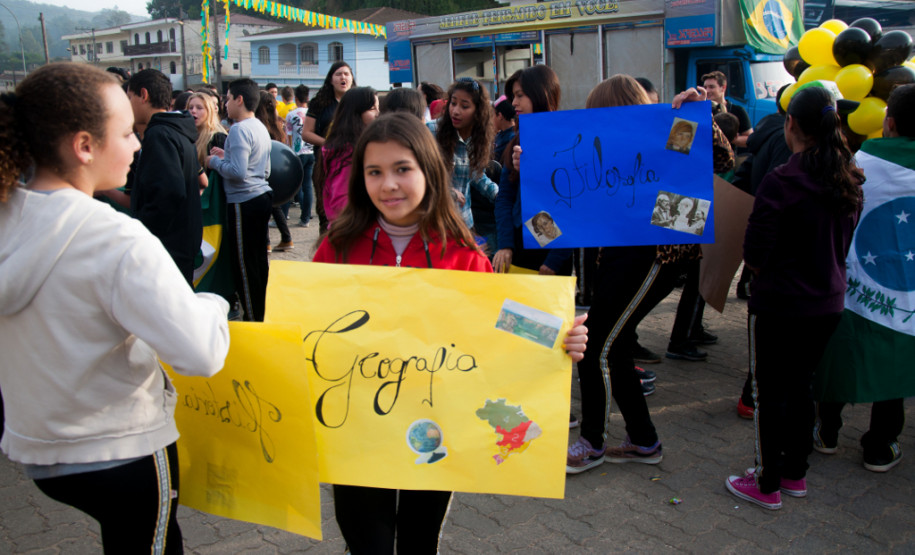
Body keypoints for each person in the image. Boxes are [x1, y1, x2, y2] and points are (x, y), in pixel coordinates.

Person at [312, 112, 588, 553]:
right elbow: (305, 329)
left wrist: (560, 337)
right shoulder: (336, 248)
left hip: (435, 431)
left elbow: (502, 319)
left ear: (428, 170)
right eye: (374, 172)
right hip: (357, 434)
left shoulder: (459, 252)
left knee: (419, 543)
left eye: (403, 169)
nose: (388, 185)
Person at [0, 62, 230, 553]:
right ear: (85, 146)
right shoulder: (115, 238)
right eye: (126, 132)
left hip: (38, 446)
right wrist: (212, 302)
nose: (138, 145)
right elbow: (200, 353)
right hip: (121, 451)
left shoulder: (8, 216)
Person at [567, 76, 735, 474]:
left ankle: (592, 443)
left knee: (596, 347)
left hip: (654, 254)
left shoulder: (668, 133)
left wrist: (697, 114)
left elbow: (722, 159)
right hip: (622, 255)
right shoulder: (612, 145)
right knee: (616, 345)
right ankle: (644, 440)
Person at [724, 86, 863, 509]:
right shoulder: (850, 178)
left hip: (781, 305)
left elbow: (755, 254)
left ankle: (767, 482)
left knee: (771, 392)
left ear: (791, 124)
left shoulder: (783, 180)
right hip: (827, 303)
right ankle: (794, 474)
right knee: (801, 388)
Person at [813, 83, 915, 473]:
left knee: (842, 353)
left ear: (888, 122)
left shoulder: (858, 167)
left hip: (854, 284)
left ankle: (826, 430)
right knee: (896, 358)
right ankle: (881, 444)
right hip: (905, 292)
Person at [493, 66, 572, 277]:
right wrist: (506, 244)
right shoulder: (517, 140)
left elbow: (572, 204)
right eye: (513, 96)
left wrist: (554, 259)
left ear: (541, 94)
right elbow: (504, 198)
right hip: (519, 247)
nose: (514, 103)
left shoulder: (567, 140)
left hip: (550, 254)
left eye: (520, 96)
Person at [127, 68, 202, 285]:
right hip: (181, 238)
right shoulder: (176, 128)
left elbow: (168, 192)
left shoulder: (159, 134)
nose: (127, 104)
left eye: (129, 97)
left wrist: (142, 230)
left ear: (143, 95)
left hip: (168, 244)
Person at [207, 78, 273, 322]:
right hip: (261, 196)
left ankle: (253, 317)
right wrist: (228, 156)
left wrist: (213, 162)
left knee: (244, 264)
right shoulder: (259, 126)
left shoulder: (238, 128)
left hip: (243, 201)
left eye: (227, 98)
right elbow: (258, 166)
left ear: (239, 100)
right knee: (258, 260)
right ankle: (263, 310)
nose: (225, 104)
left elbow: (237, 172)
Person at [431, 77, 499, 232]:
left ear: (478, 111)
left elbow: (475, 173)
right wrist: (446, 191)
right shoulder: (431, 131)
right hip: (435, 224)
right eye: (453, 103)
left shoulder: (478, 138)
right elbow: (418, 174)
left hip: (463, 224)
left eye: (464, 106)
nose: (456, 111)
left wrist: (497, 195)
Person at [303, 62, 355, 231]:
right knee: (326, 213)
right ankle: (325, 251)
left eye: (347, 74)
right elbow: (307, 133)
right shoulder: (319, 103)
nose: (343, 77)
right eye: (339, 74)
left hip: (353, 165)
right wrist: (330, 145)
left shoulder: (358, 102)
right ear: (330, 79)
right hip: (324, 164)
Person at [321, 86, 379, 225]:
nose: (378, 113)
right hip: (351, 228)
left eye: (378, 108)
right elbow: (341, 200)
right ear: (355, 112)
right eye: (372, 109)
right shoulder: (347, 151)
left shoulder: (353, 145)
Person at [256, 90, 294, 252]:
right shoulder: (278, 124)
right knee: (274, 205)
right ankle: (286, 238)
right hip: (277, 171)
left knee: (266, 206)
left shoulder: (258, 125)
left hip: (263, 169)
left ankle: (267, 242)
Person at [285, 84, 314, 227]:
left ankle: (284, 215)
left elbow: (288, 137)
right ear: (308, 98)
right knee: (307, 185)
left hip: (297, 153)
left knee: (292, 186)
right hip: (311, 152)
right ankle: (306, 218)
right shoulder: (313, 114)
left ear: (295, 98)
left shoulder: (291, 115)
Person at [702, 71, 752, 148]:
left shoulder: (738, 111)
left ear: (723, 88)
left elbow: (750, 139)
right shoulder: (701, 110)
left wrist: (730, 138)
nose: (707, 91)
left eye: (711, 87)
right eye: (705, 87)